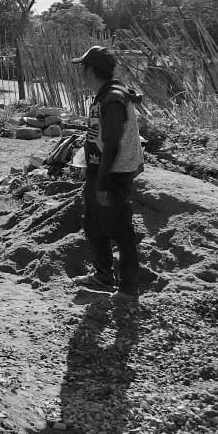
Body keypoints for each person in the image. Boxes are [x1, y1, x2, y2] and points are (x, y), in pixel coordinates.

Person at [69, 46, 144, 302]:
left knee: (121, 230)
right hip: (99, 170)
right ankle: (103, 275)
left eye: (83, 67)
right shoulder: (106, 95)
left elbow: (112, 143)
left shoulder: (112, 98)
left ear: (91, 70)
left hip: (112, 173)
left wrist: (102, 181)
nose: (80, 73)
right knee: (93, 224)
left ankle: (128, 289)